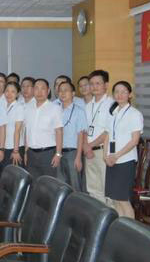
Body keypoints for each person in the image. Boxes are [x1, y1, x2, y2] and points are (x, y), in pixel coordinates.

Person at [103, 81, 143, 218]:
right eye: (116, 92)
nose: (119, 95)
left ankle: (130, 229)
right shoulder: (113, 113)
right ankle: (120, 226)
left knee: (123, 200)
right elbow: (108, 135)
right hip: (111, 160)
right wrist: (105, 155)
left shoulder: (134, 114)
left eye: (124, 92)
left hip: (125, 160)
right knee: (115, 199)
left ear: (130, 94)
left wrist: (117, 155)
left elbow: (134, 140)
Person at [23, 79, 63, 180]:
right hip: (31, 153)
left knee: (49, 184)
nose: (39, 92)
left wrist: (58, 154)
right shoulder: (27, 108)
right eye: (36, 88)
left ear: (48, 91)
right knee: (34, 183)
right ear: (33, 90)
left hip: (48, 153)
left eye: (43, 89)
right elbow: (27, 131)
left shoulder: (55, 108)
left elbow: (59, 131)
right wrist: (26, 152)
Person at [84, 69, 114, 203]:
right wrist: (86, 146)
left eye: (98, 83)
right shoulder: (88, 105)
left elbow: (108, 132)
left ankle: (110, 215)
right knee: (93, 189)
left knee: (107, 189)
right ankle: (97, 215)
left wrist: (89, 145)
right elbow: (84, 129)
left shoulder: (112, 104)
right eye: (91, 84)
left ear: (106, 85)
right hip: (89, 152)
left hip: (104, 151)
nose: (94, 87)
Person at [57, 81, 87, 192]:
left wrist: (78, 157)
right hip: (58, 153)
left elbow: (81, 135)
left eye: (66, 90)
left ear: (73, 93)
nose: (63, 93)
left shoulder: (79, 111)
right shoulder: (55, 110)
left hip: (72, 153)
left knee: (75, 186)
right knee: (60, 186)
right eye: (60, 91)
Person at [3, 82, 24, 168]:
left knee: (15, 174)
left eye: (13, 91)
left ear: (17, 94)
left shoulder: (19, 107)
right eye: (7, 91)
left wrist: (16, 151)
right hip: (4, 147)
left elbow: (17, 130)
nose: (9, 94)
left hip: (15, 148)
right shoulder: (3, 106)